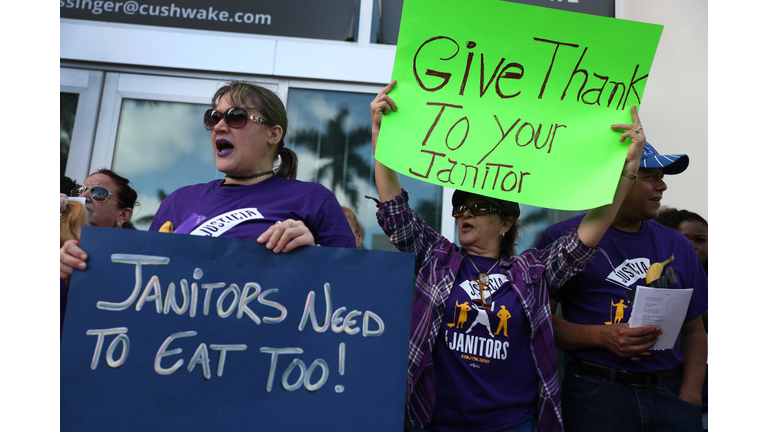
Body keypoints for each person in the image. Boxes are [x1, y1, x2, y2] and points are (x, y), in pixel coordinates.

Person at [370, 80, 646, 432]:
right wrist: (381, 135)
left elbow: (587, 235)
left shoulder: (531, 271)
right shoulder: (437, 258)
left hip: (510, 423)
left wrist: (626, 170)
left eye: (478, 207)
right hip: (438, 420)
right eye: (459, 207)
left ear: (505, 223)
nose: (465, 214)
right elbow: (396, 212)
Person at [60, 81, 355, 285]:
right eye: (214, 117)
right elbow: (140, 287)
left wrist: (315, 253)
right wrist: (83, 272)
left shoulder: (313, 200)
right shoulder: (179, 202)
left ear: (273, 134)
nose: (220, 125)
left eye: (237, 116)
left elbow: (353, 291)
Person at [536, 144, 707, 431]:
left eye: (661, 176)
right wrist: (600, 336)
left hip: (670, 393)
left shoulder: (677, 244)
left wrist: (690, 394)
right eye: (650, 176)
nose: (662, 185)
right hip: (596, 395)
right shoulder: (563, 239)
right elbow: (538, 325)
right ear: (617, 179)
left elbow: (694, 331)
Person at [655, 207, 708, 431]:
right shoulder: (659, 280)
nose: (692, 246)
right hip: (675, 387)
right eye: (684, 239)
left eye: (701, 240)